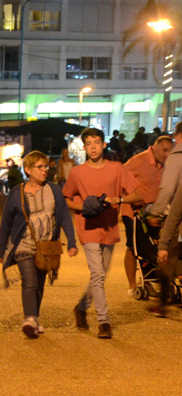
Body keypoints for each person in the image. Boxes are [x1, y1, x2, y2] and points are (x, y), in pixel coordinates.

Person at [63, 127, 140, 339]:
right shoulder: (77, 172)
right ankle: (104, 321)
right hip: (87, 227)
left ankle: (81, 307)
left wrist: (119, 200)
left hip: (109, 227)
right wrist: (85, 205)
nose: (93, 147)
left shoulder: (117, 168)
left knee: (101, 274)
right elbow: (66, 199)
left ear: (104, 144)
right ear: (84, 147)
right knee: (97, 274)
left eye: (96, 142)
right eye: (88, 144)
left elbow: (137, 194)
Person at [0, 151, 78, 338]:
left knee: (40, 283)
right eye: (40, 167)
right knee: (30, 281)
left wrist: (72, 242)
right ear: (28, 169)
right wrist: (1, 249)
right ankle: (30, 318)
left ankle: (35, 318)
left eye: (46, 167)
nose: (45, 170)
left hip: (47, 246)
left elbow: (64, 216)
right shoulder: (17, 193)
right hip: (23, 244)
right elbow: (6, 222)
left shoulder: (54, 189)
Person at [122, 136, 173, 297]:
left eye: (169, 151)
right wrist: (132, 200)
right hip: (133, 212)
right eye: (164, 150)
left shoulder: (167, 165)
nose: (167, 154)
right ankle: (132, 286)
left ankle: (156, 278)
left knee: (156, 246)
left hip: (155, 214)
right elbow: (120, 181)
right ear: (154, 148)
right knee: (133, 246)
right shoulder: (137, 162)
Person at [147, 123, 182, 316]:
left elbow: (169, 191)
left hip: (177, 218)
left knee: (166, 260)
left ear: (178, 135)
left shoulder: (176, 158)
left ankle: (163, 302)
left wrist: (156, 212)